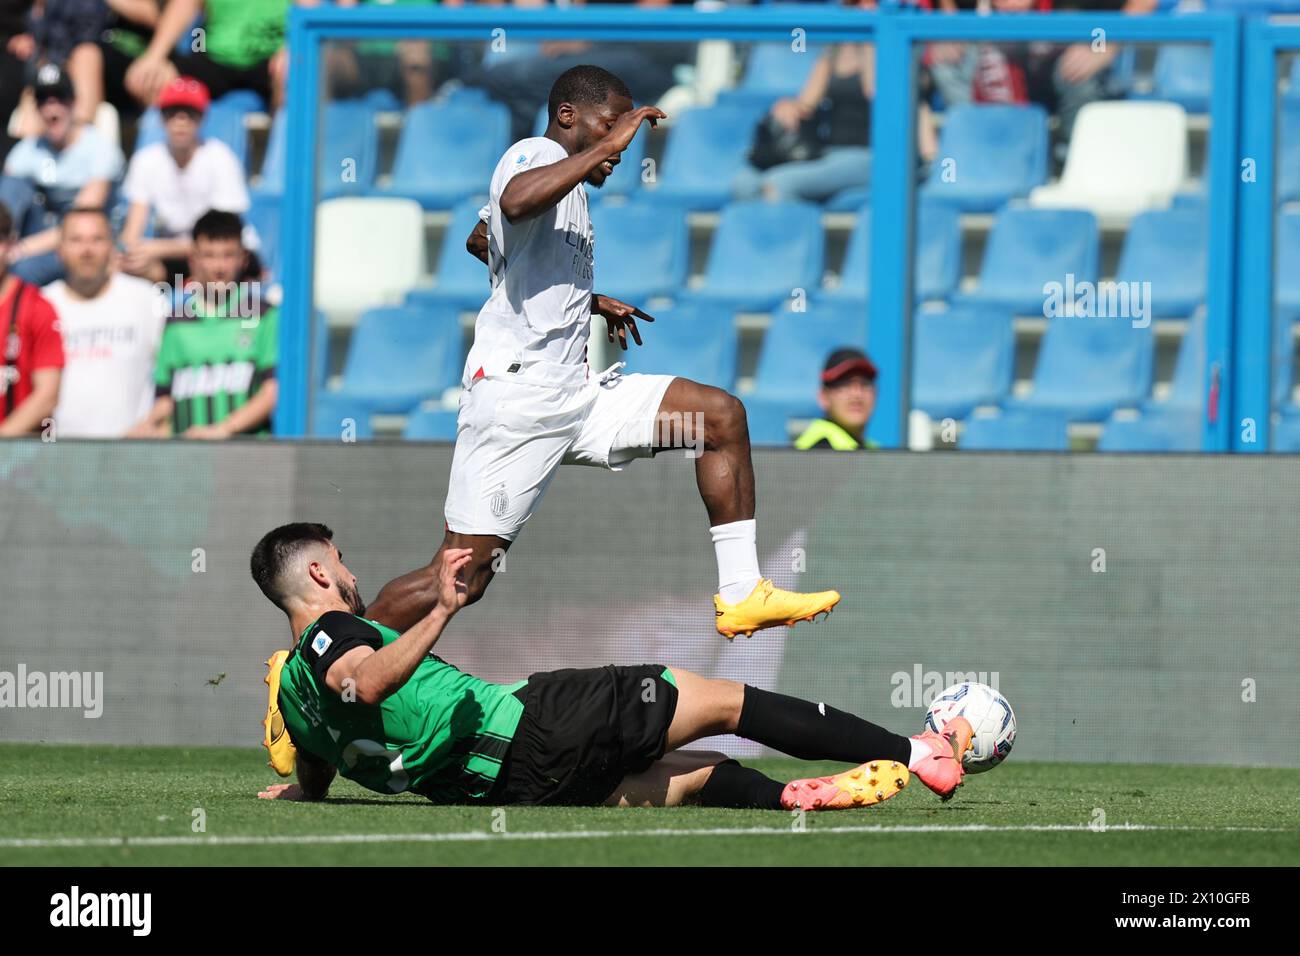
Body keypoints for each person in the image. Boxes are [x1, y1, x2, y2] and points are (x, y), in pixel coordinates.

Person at [452, 64, 841, 641]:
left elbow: (480, 238)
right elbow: (511, 205)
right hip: (517, 400)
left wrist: (585, 299)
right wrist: (604, 147)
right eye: (610, 126)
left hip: (577, 396)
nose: (621, 146)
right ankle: (321, 661)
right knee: (460, 579)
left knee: (719, 417)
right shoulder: (532, 153)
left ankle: (741, 593)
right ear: (568, 117)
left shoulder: (569, 186)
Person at [251, 522, 973, 809]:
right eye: (340, 564)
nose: (350, 575)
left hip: (503, 789)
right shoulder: (332, 634)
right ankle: (919, 750)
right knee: (722, 701)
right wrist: (443, 608)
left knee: (676, 780)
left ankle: (784, 800)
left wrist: (299, 795)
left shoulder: (293, 696)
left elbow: (314, 766)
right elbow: (363, 679)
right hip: (533, 720)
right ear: (318, 576)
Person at [127, 209, 277, 438]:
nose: (219, 267)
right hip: (191, 463)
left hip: (249, 459)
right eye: (209, 255)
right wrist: (149, 425)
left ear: (243, 259)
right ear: (193, 260)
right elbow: (166, 399)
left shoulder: (264, 316)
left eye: (228, 255)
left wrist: (224, 429)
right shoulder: (177, 321)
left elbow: (272, 392)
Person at [43, 206, 166, 437]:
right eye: (76, 240)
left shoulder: (147, 299)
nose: (87, 250)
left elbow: (177, 374)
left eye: (97, 239)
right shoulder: (42, 305)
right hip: (56, 460)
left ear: (112, 246)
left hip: (131, 457)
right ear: (59, 249)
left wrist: (155, 422)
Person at [0, 62, 123, 286]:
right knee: (12, 184)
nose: (51, 108)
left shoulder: (100, 149)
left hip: (87, 240)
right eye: (43, 101)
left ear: (74, 102)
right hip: (41, 232)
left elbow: (79, 224)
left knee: (21, 272)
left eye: (59, 98)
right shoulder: (27, 150)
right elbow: (6, 203)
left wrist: (20, 249)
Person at [119, 76, 250, 282]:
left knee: (214, 264)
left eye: (190, 114)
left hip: (218, 258)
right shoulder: (146, 160)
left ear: (202, 118)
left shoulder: (221, 158)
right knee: (128, 266)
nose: (181, 121)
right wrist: (132, 254)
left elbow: (224, 240)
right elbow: (131, 231)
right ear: (161, 119)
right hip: (175, 259)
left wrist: (155, 248)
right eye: (172, 113)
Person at [123, 0, 289, 110]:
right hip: (215, 56)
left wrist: (292, 48)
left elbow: (308, 9)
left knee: (292, 75)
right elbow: (185, 5)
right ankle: (172, 158)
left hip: (272, 58)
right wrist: (154, 57)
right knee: (144, 80)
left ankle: (283, 160)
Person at [0, 200, 64, 437]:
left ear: (10, 245)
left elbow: (47, 397)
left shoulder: (37, 308)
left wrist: (3, 443)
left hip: (21, 461)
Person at [794, 348, 881, 451]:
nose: (857, 394)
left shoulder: (870, 449)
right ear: (823, 397)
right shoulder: (818, 448)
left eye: (865, 384)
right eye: (845, 384)